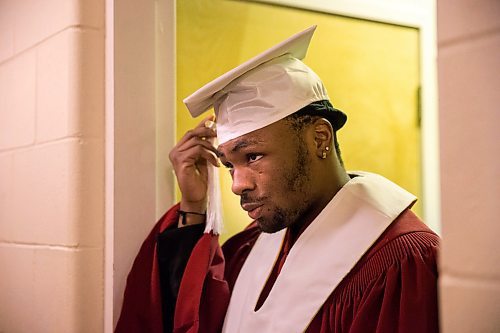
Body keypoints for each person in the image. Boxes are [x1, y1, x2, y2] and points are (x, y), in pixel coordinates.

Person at [116, 26, 439, 333]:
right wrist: (194, 206)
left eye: (253, 156)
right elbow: (192, 318)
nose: (237, 184)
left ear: (319, 138)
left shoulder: (403, 259)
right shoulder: (255, 243)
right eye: (229, 164)